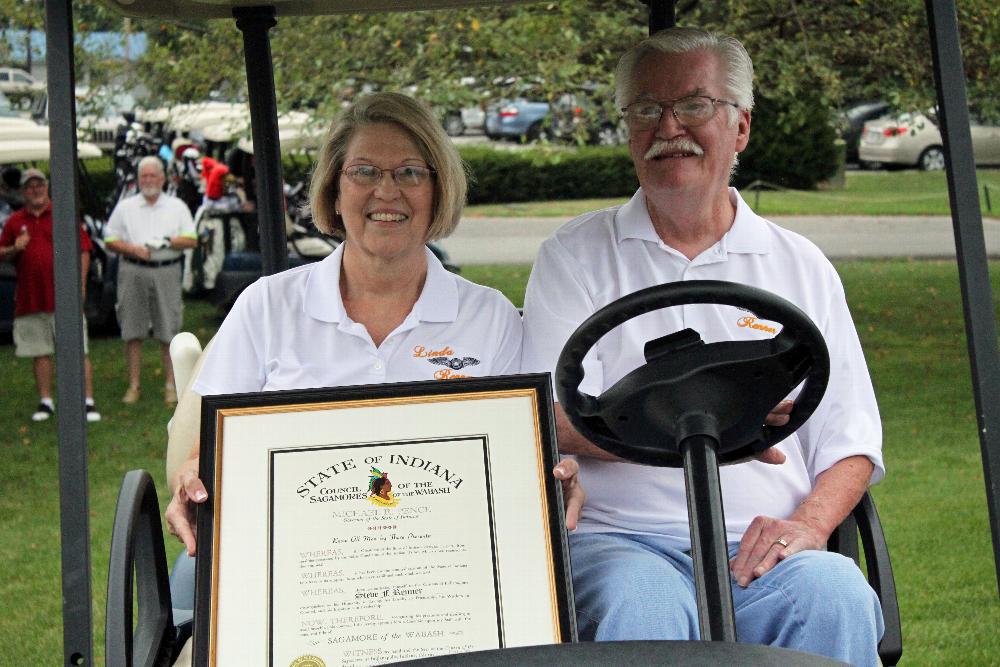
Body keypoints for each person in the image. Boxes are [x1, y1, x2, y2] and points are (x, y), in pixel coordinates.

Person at [520, 28, 884, 666]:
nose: (669, 127)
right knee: (643, 606)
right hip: (623, 541)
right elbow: (549, 417)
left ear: (740, 127)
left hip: (758, 542)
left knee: (835, 595)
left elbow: (850, 441)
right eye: (645, 110)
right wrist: (706, 422)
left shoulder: (799, 265)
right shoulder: (574, 256)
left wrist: (811, 525)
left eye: (694, 105)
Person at [163, 92, 584, 620]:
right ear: (334, 192)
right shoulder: (268, 306)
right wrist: (191, 477)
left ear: (437, 191)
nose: (387, 191)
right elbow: (210, 448)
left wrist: (551, 475)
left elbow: (519, 459)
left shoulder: (490, 317)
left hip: (444, 570)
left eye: (410, 172)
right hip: (293, 562)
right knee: (189, 591)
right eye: (364, 171)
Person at [0, 168, 101, 423]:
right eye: (30, 186)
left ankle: (86, 401)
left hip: (64, 297)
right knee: (40, 351)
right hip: (31, 298)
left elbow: (84, 250)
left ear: (47, 187)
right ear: (23, 192)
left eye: (40, 185)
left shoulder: (63, 214)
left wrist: (80, 286)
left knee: (78, 349)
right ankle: (46, 401)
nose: (36, 190)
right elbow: (3, 254)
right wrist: (15, 247)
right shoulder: (15, 222)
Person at [105, 155, 197, 405]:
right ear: (138, 179)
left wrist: (167, 242)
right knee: (132, 330)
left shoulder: (176, 207)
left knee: (168, 329)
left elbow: (191, 239)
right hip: (132, 269)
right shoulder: (126, 207)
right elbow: (109, 240)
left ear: (162, 178)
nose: (148, 180)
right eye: (143, 176)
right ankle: (134, 386)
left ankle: (171, 385)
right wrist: (132, 249)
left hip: (166, 270)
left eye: (152, 175)